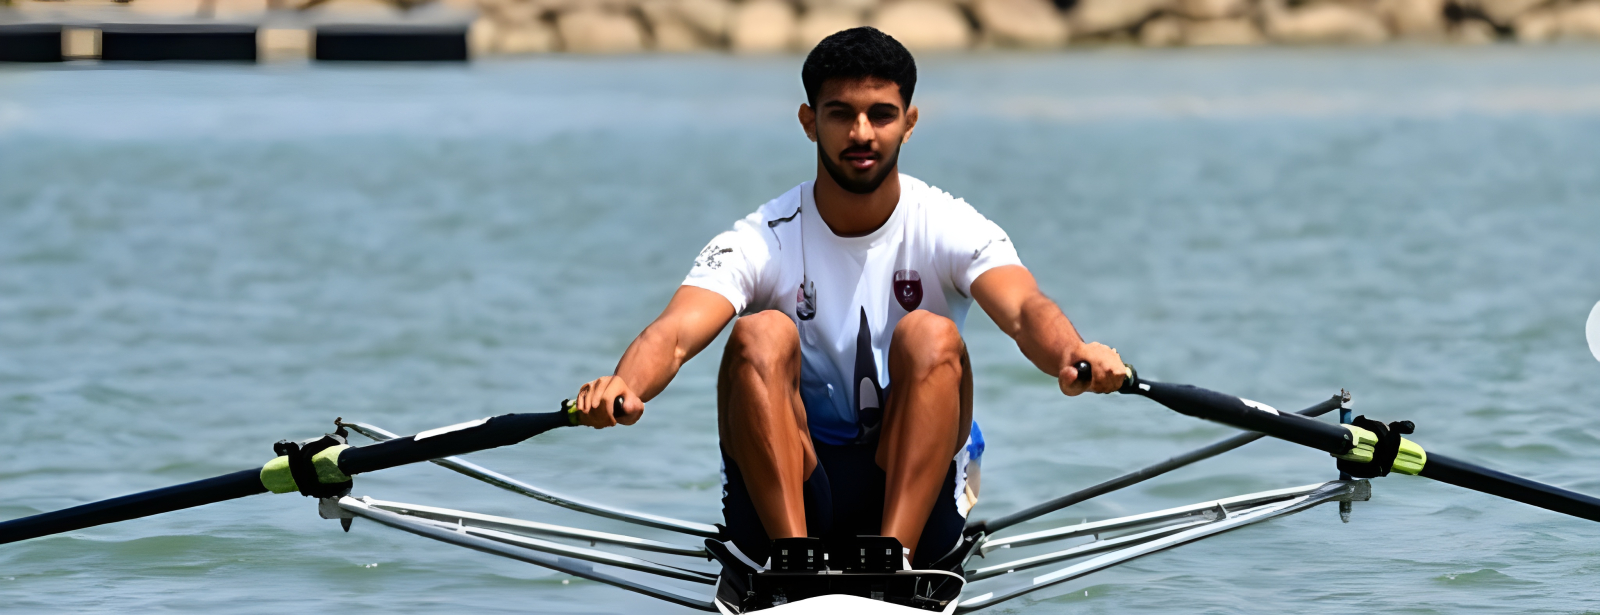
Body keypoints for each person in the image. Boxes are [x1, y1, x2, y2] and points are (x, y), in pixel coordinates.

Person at [568, 26, 1128, 574]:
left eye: (881, 114)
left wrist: (1072, 351)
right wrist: (624, 384)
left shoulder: (949, 224)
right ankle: (792, 562)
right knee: (759, 333)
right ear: (809, 122)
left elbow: (1025, 309)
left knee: (930, 335)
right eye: (840, 114)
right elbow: (673, 334)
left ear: (909, 123)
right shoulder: (762, 236)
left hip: (917, 496)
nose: (862, 133)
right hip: (789, 489)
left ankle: (894, 559)